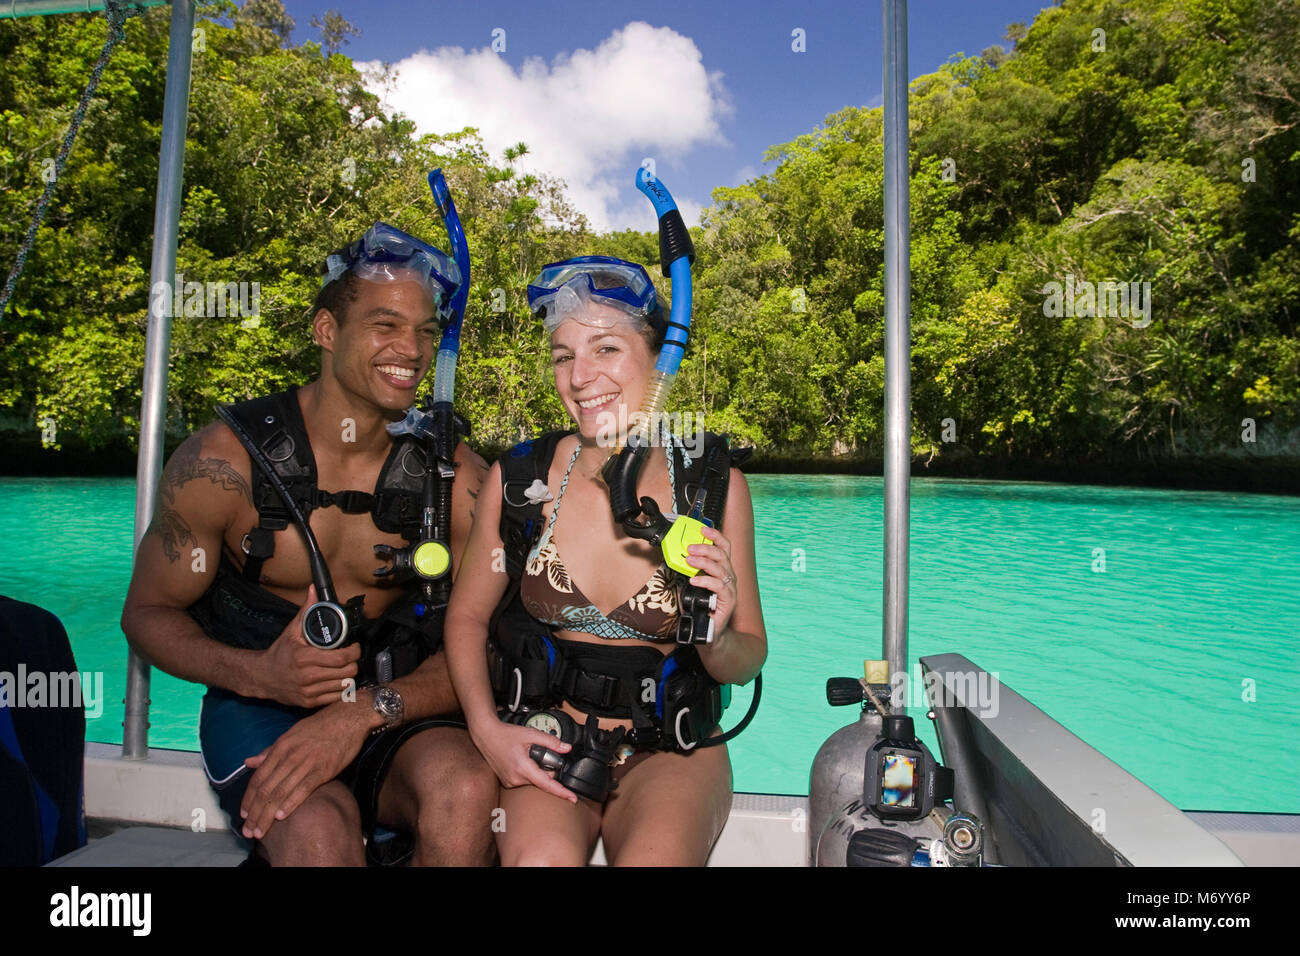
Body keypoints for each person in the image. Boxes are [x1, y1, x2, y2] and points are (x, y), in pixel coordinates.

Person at [121, 223, 498, 866]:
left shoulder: (454, 479)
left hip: (392, 706)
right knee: (320, 835)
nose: (411, 349)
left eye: (425, 332)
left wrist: (358, 716)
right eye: (385, 325)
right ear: (327, 332)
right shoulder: (223, 463)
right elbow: (147, 615)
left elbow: (488, 640)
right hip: (258, 704)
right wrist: (259, 675)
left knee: (465, 793)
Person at [445, 255, 767, 865]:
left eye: (606, 349)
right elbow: (464, 620)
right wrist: (488, 732)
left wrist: (718, 635)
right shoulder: (519, 479)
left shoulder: (713, 488)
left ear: (660, 362)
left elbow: (747, 658)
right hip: (549, 732)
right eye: (564, 356)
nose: (581, 376)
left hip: (670, 749)